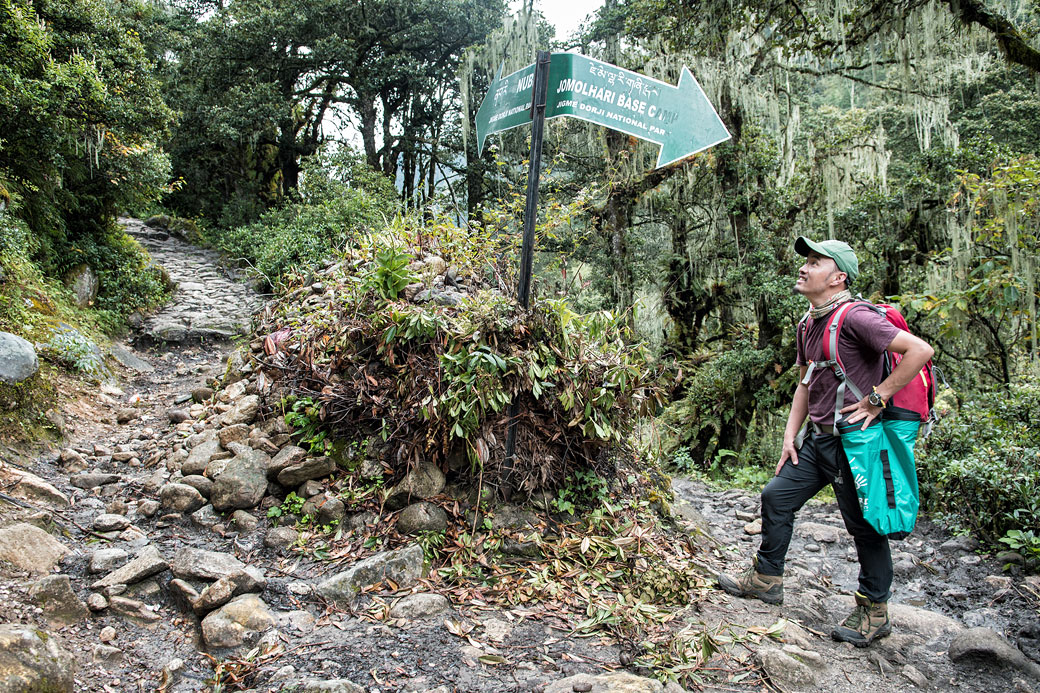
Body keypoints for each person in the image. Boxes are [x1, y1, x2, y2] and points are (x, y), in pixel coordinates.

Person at [716, 236, 934, 647]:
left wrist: (877, 398)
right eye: (807, 261)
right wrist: (789, 435)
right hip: (818, 441)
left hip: (857, 441)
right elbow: (806, 382)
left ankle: (875, 611)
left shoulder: (857, 318)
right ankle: (766, 580)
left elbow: (919, 351)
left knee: (865, 527)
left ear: (838, 278)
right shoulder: (808, 322)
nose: (804, 267)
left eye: (815, 262)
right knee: (776, 497)